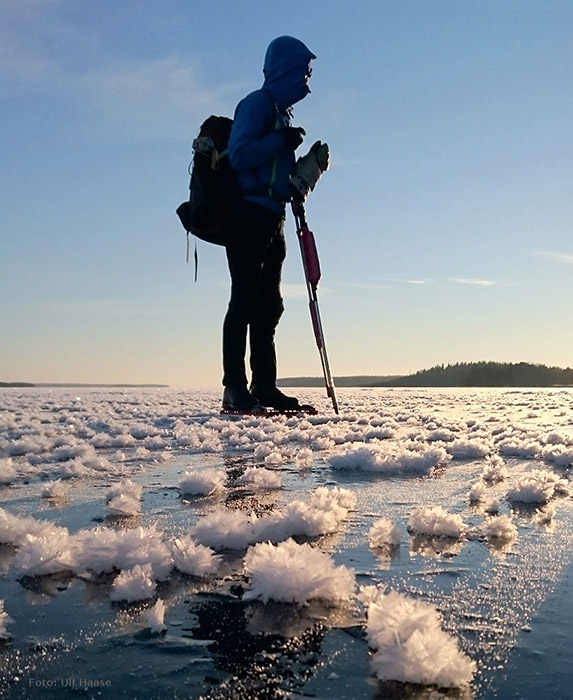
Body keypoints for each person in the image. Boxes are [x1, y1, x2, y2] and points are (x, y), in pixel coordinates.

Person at [221, 36, 316, 412]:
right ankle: (235, 388)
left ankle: (263, 385)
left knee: (270, 305)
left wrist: (304, 177)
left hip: (272, 217)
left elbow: (277, 172)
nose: (308, 81)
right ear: (286, 70)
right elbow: (240, 156)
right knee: (244, 299)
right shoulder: (257, 105)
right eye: (304, 73)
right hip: (247, 215)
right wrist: (280, 140)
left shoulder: (281, 114)